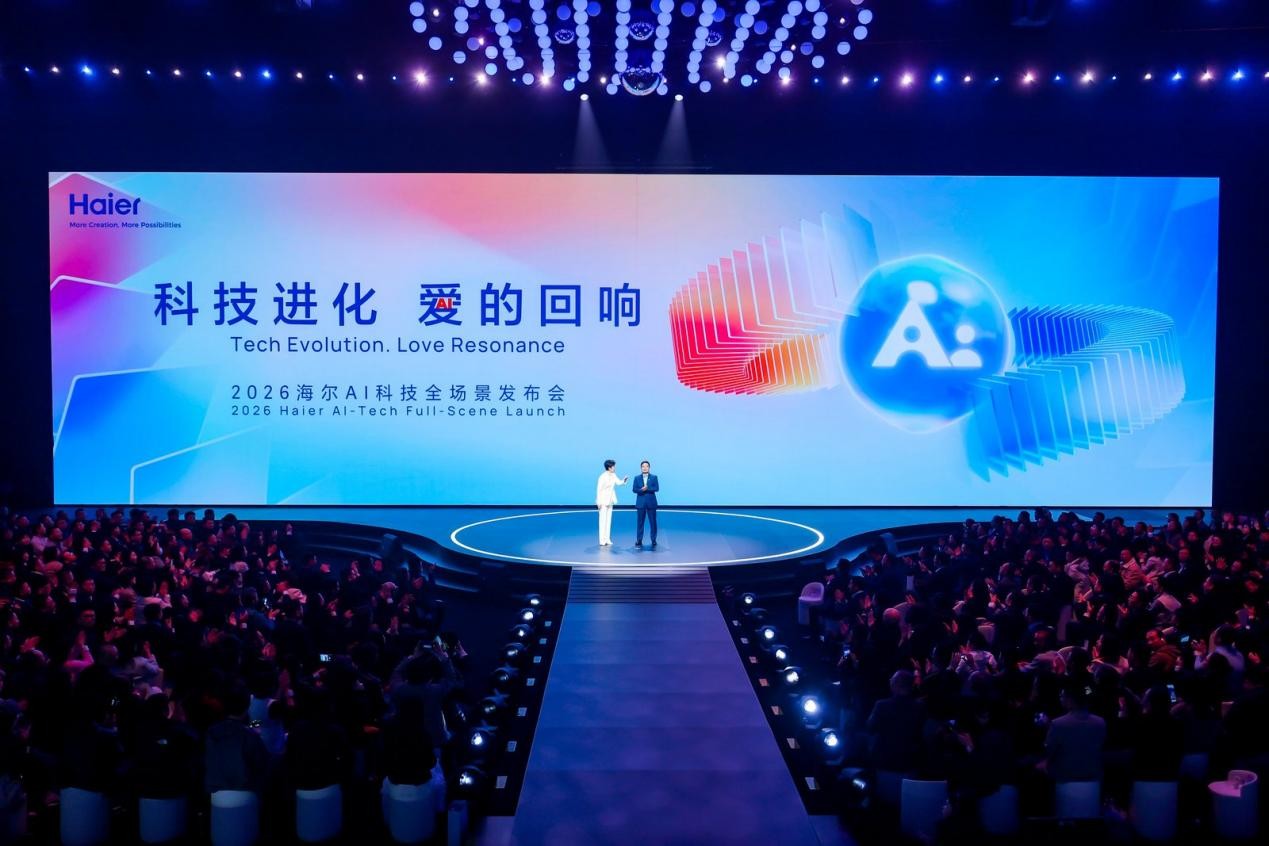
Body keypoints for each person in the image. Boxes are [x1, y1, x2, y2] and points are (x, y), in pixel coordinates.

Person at [594, 460, 628, 547]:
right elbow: (598, 490)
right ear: (609, 467)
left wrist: (624, 480)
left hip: (610, 500)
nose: (614, 468)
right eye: (613, 466)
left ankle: (607, 539)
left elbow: (618, 482)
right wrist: (598, 502)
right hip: (603, 501)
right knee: (603, 521)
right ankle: (602, 540)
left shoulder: (613, 475)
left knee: (608, 520)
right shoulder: (602, 477)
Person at [633, 460, 660, 549]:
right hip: (640, 503)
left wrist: (647, 488)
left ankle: (653, 539)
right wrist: (641, 490)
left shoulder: (654, 477)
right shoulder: (637, 478)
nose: (645, 468)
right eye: (643, 466)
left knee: (653, 523)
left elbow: (656, 488)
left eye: (646, 466)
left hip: (651, 503)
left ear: (649, 467)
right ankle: (639, 540)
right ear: (641, 468)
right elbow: (634, 489)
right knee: (640, 523)